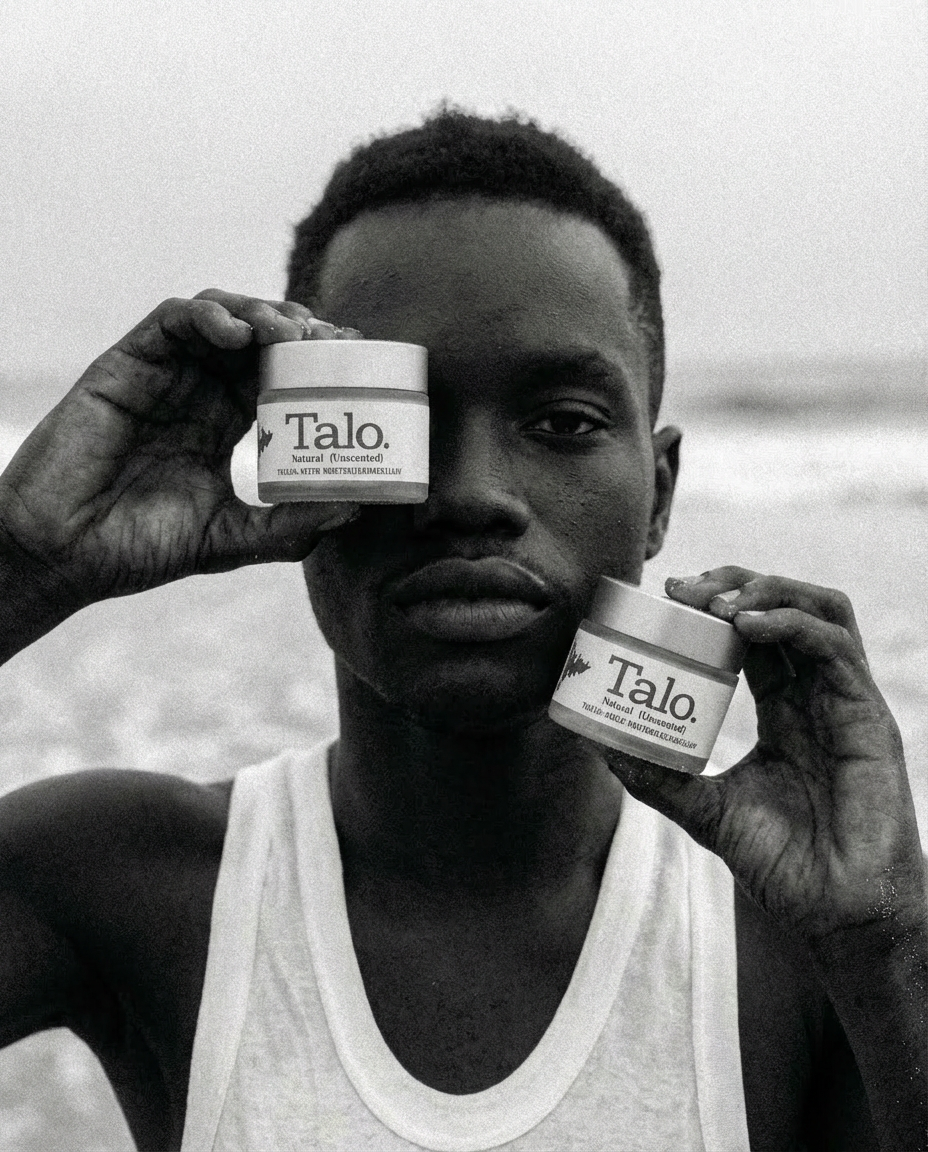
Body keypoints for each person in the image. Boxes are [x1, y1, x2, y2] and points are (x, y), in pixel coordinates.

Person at [0, 110, 924, 1152]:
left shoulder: (795, 937)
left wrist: (882, 950)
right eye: (394, 418)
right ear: (295, 451)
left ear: (657, 494)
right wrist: (22, 559)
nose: (472, 493)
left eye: (563, 422)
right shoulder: (130, 882)